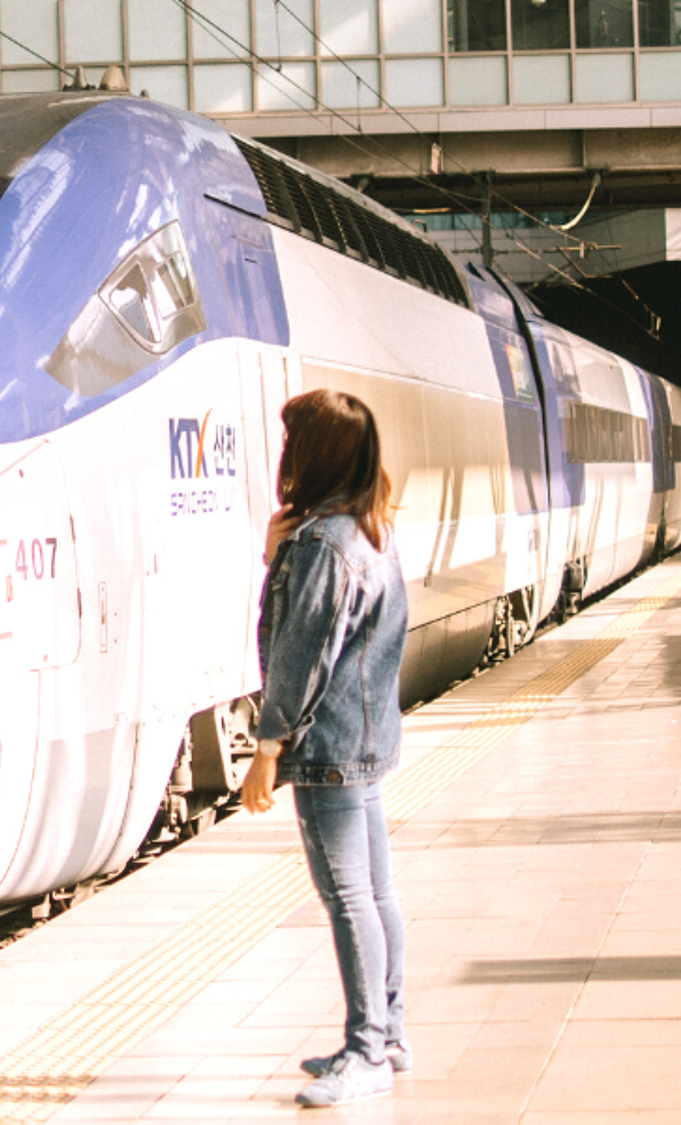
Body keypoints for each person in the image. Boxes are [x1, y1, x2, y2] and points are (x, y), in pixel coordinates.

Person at [239, 389, 409, 1108]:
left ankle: (366, 1050)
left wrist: (269, 746)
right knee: (376, 894)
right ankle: (388, 1033)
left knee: (347, 899)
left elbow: (297, 653)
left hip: (328, 749)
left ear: (311, 455)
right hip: (366, 742)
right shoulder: (370, 531)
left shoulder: (319, 546)